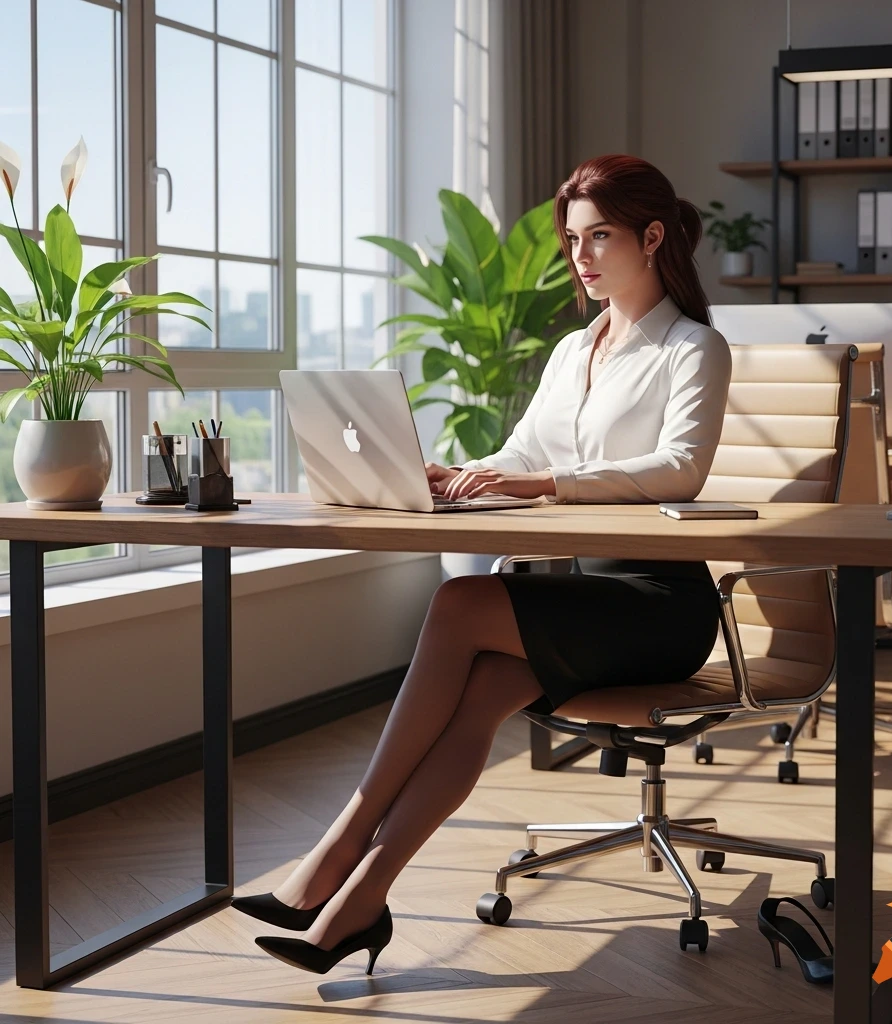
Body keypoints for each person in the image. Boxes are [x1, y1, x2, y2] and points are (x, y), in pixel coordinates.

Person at [233, 154, 733, 975]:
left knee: (463, 604)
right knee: (477, 699)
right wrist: (458, 471)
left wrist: (546, 483)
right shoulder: (577, 348)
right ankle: (359, 903)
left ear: (651, 237)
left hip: (657, 607)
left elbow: (682, 469)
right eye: (574, 239)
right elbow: (525, 450)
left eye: (599, 236)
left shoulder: (692, 347)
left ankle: (339, 846)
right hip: (585, 598)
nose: (581, 256)